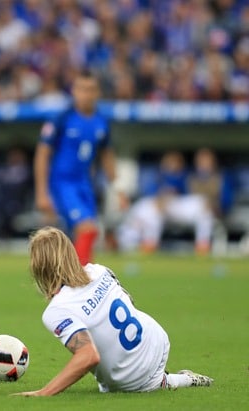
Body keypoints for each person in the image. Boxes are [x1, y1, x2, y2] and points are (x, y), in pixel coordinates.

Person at [14, 226, 213, 396]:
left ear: (38, 267)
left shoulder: (56, 311)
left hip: (129, 380)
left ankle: (176, 380)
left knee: (141, 384)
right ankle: (165, 375)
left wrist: (44, 393)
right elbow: (130, 302)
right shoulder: (99, 270)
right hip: (156, 340)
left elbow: (88, 357)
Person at [34, 70, 125, 265]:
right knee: (87, 229)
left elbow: (107, 156)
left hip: (85, 184)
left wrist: (118, 189)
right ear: (74, 91)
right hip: (63, 183)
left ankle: (71, 283)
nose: (86, 94)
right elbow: (42, 154)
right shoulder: (62, 118)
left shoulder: (101, 122)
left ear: (98, 93)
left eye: (91, 89)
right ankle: (78, 282)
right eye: (82, 89)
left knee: (85, 235)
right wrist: (42, 192)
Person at [117, 150, 215, 255]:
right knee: (148, 211)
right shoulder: (157, 176)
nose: (172, 165)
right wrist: (161, 200)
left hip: (177, 206)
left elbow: (189, 196)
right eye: (169, 162)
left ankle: (202, 247)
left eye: (176, 162)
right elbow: (151, 195)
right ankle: (144, 245)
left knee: (203, 207)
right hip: (156, 206)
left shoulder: (185, 176)